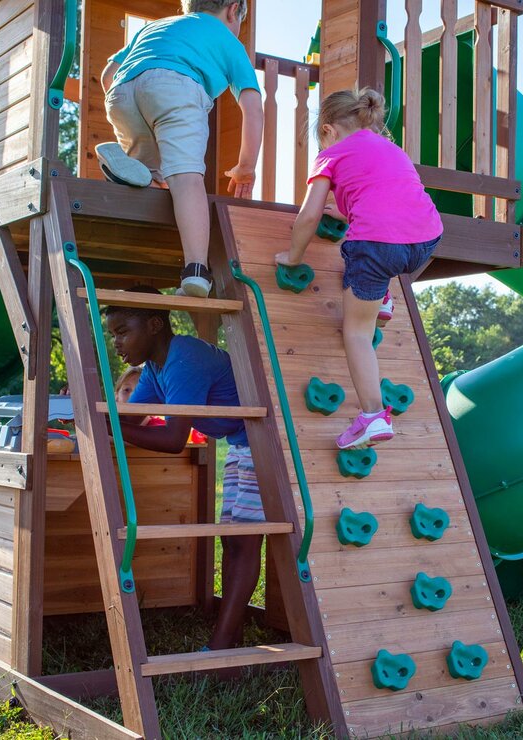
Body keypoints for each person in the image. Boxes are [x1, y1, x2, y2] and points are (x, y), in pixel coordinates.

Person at [275, 87, 443, 450]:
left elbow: (309, 217)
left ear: (329, 130)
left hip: (377, 246)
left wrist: (293, 256)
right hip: (427, 239)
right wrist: (351, 210)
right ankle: (381, 297)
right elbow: (392, 200)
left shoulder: (331, 154)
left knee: (356, 332)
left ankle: (371, 416)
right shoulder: (392, 150)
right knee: (383, 259)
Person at [105, 287, 263, 650]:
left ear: (155, 325)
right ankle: (232, 631)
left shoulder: (184, 357)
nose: (117, 343)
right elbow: (135, 419)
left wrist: (109, 428)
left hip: (265, 442)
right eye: (113, 334)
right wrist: (105, 423)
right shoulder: (155, 369)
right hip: (242, 443)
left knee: (246, 539)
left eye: (123, 331)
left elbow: (174, 437)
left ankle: (222, 645)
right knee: (233, 539)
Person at [98, 0, 263, 298]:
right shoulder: (227, 38)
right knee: (186, 177)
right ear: (233, 9)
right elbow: (252, 106)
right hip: (176, 87)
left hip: (122, 92)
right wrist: (245, 167)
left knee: (153, 175)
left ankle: (135, 173)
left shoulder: (156, 27)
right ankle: (197, 271)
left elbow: (108, 75)